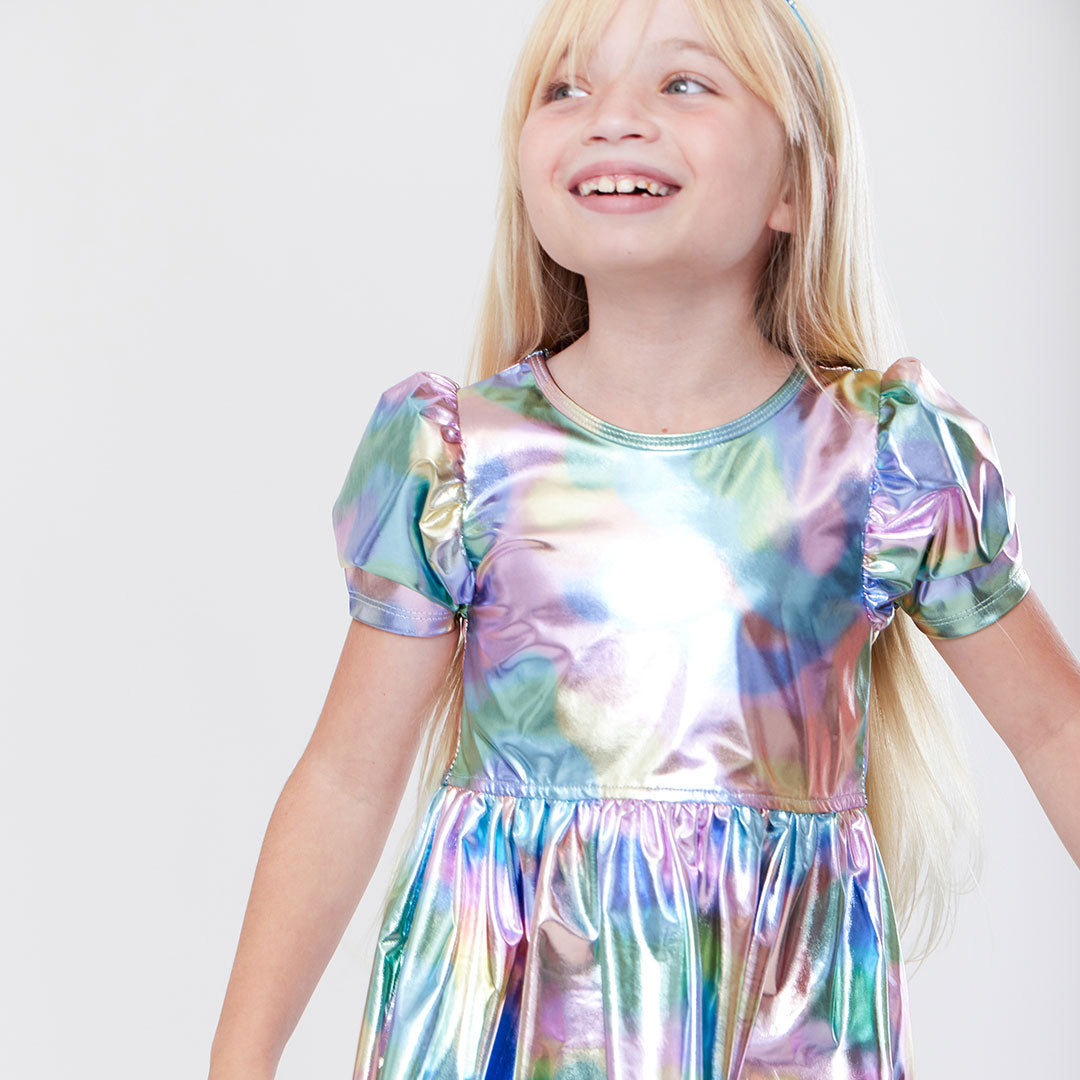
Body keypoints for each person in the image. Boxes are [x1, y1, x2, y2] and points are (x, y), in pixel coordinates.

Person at [208, 0, 1080, 1077]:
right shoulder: (459, 460)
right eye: (566, 88)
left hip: (771, 1024)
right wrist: (239, 1060)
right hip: (506, 1027)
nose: (611, 117)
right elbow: (347, 778)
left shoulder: (881, 462)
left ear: (796, 186)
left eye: (682, 83)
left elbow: (1055, 728)